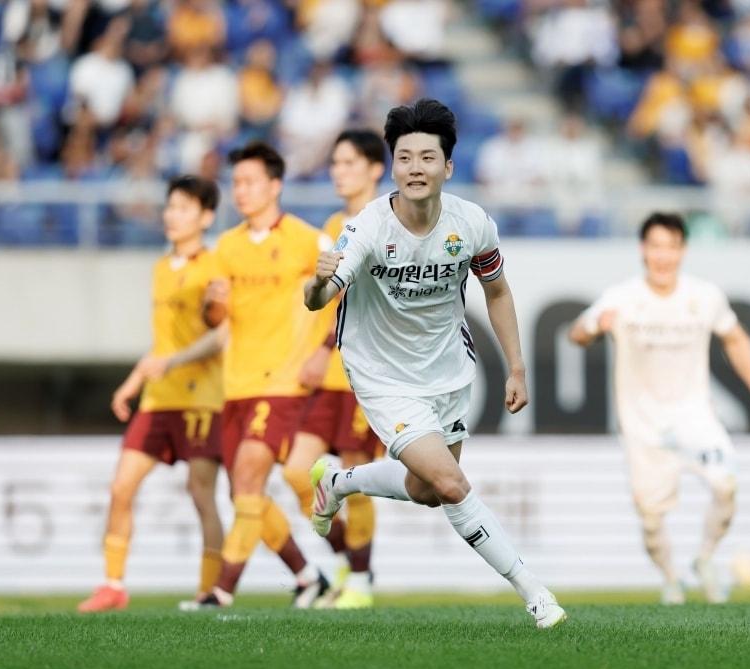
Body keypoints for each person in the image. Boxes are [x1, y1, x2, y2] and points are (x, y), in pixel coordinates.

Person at [304, 99, 566, 629]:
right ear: (393, 166)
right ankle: (536, 593)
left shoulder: (472, 224)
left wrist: (517, 367)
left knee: (427, 490)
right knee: (451, 485)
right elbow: (320, 298)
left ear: (448, 166)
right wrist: (316, 281)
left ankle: (339, 482)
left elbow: (496, 290)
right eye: (405, 158)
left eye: (427, 157)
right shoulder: (368, 227)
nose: (415, 168)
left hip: (446, 370)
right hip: (381, 374)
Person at [568, 212, 750, 605]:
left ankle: (704, 559)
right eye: (655, 247)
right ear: (642, 250)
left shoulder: (704, 296)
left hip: (694, 416)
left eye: (670, 247)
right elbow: (576, 333)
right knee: (651, 517)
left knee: (725, 483)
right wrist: (596, 326)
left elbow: (735, 338)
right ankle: (670, 579)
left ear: (682, 250)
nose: (662, 256)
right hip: (642, 425)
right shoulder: (622, 297)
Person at [185, 141, 331, 609]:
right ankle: (309, 577)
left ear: (275, 185)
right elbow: (215, 317)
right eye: (237, 183)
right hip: (237, 384)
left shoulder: (307, 240)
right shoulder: (225, 247)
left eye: (250, 182)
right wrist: (214, 306)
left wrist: (324, 351)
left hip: (283, 383)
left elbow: (344, 294)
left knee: (247, 477)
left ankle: (221, 591)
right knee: (243, 492)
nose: (241, 191)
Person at [78, 175, 225, 612]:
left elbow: (221, 337)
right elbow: (162, 345)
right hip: (160, 398)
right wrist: (133, 382)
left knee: (201, 495)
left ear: (206, 217)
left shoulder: (216, 267)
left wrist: (174, 362)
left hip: (203, 397)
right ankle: (112, 585)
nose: (171, 215)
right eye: (169, 207)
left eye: (182, 208)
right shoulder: (161, 269)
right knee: (121, 486)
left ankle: (210, 592)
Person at [281, 130, 388, 609]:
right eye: (335, 163)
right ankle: (347, 563)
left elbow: (364, 299)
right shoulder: (332, 222)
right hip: (327, 376)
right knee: (297, 473)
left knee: (357, 477)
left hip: (364, 368)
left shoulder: (386, 221)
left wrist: (326, 345)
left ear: (373, 169)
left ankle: (361, 584)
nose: (338, 171)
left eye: (348, 163)